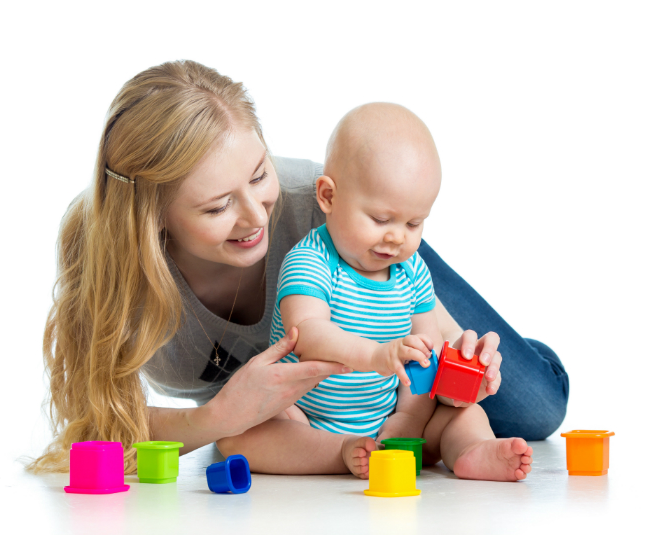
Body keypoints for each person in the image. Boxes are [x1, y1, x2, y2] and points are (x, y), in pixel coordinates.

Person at [28, 60, 568, 475]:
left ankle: (529, 354)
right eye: (217, 207)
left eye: (259, 174)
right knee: (242, 440)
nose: (254, 217)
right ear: (154, 218)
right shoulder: (109, 264)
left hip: (380, 328)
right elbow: (101, 429)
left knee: (536, 408)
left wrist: (466, 363)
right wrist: (218, 417)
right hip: (307, 419)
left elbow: (429, 339)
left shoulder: (323, 208)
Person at [216, 103, 533, 481]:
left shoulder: (412, 271)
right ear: (328, 197)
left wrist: (430, 404)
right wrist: (378, 355)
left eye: (414, 223)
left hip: (390, 421)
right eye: (381, 219)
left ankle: (470, 451)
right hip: (305, 419)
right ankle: (339, 452)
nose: (397, 236)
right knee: (237, 437)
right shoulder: (310, 261)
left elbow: (426, 360)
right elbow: (308, 336)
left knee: (464, 413)